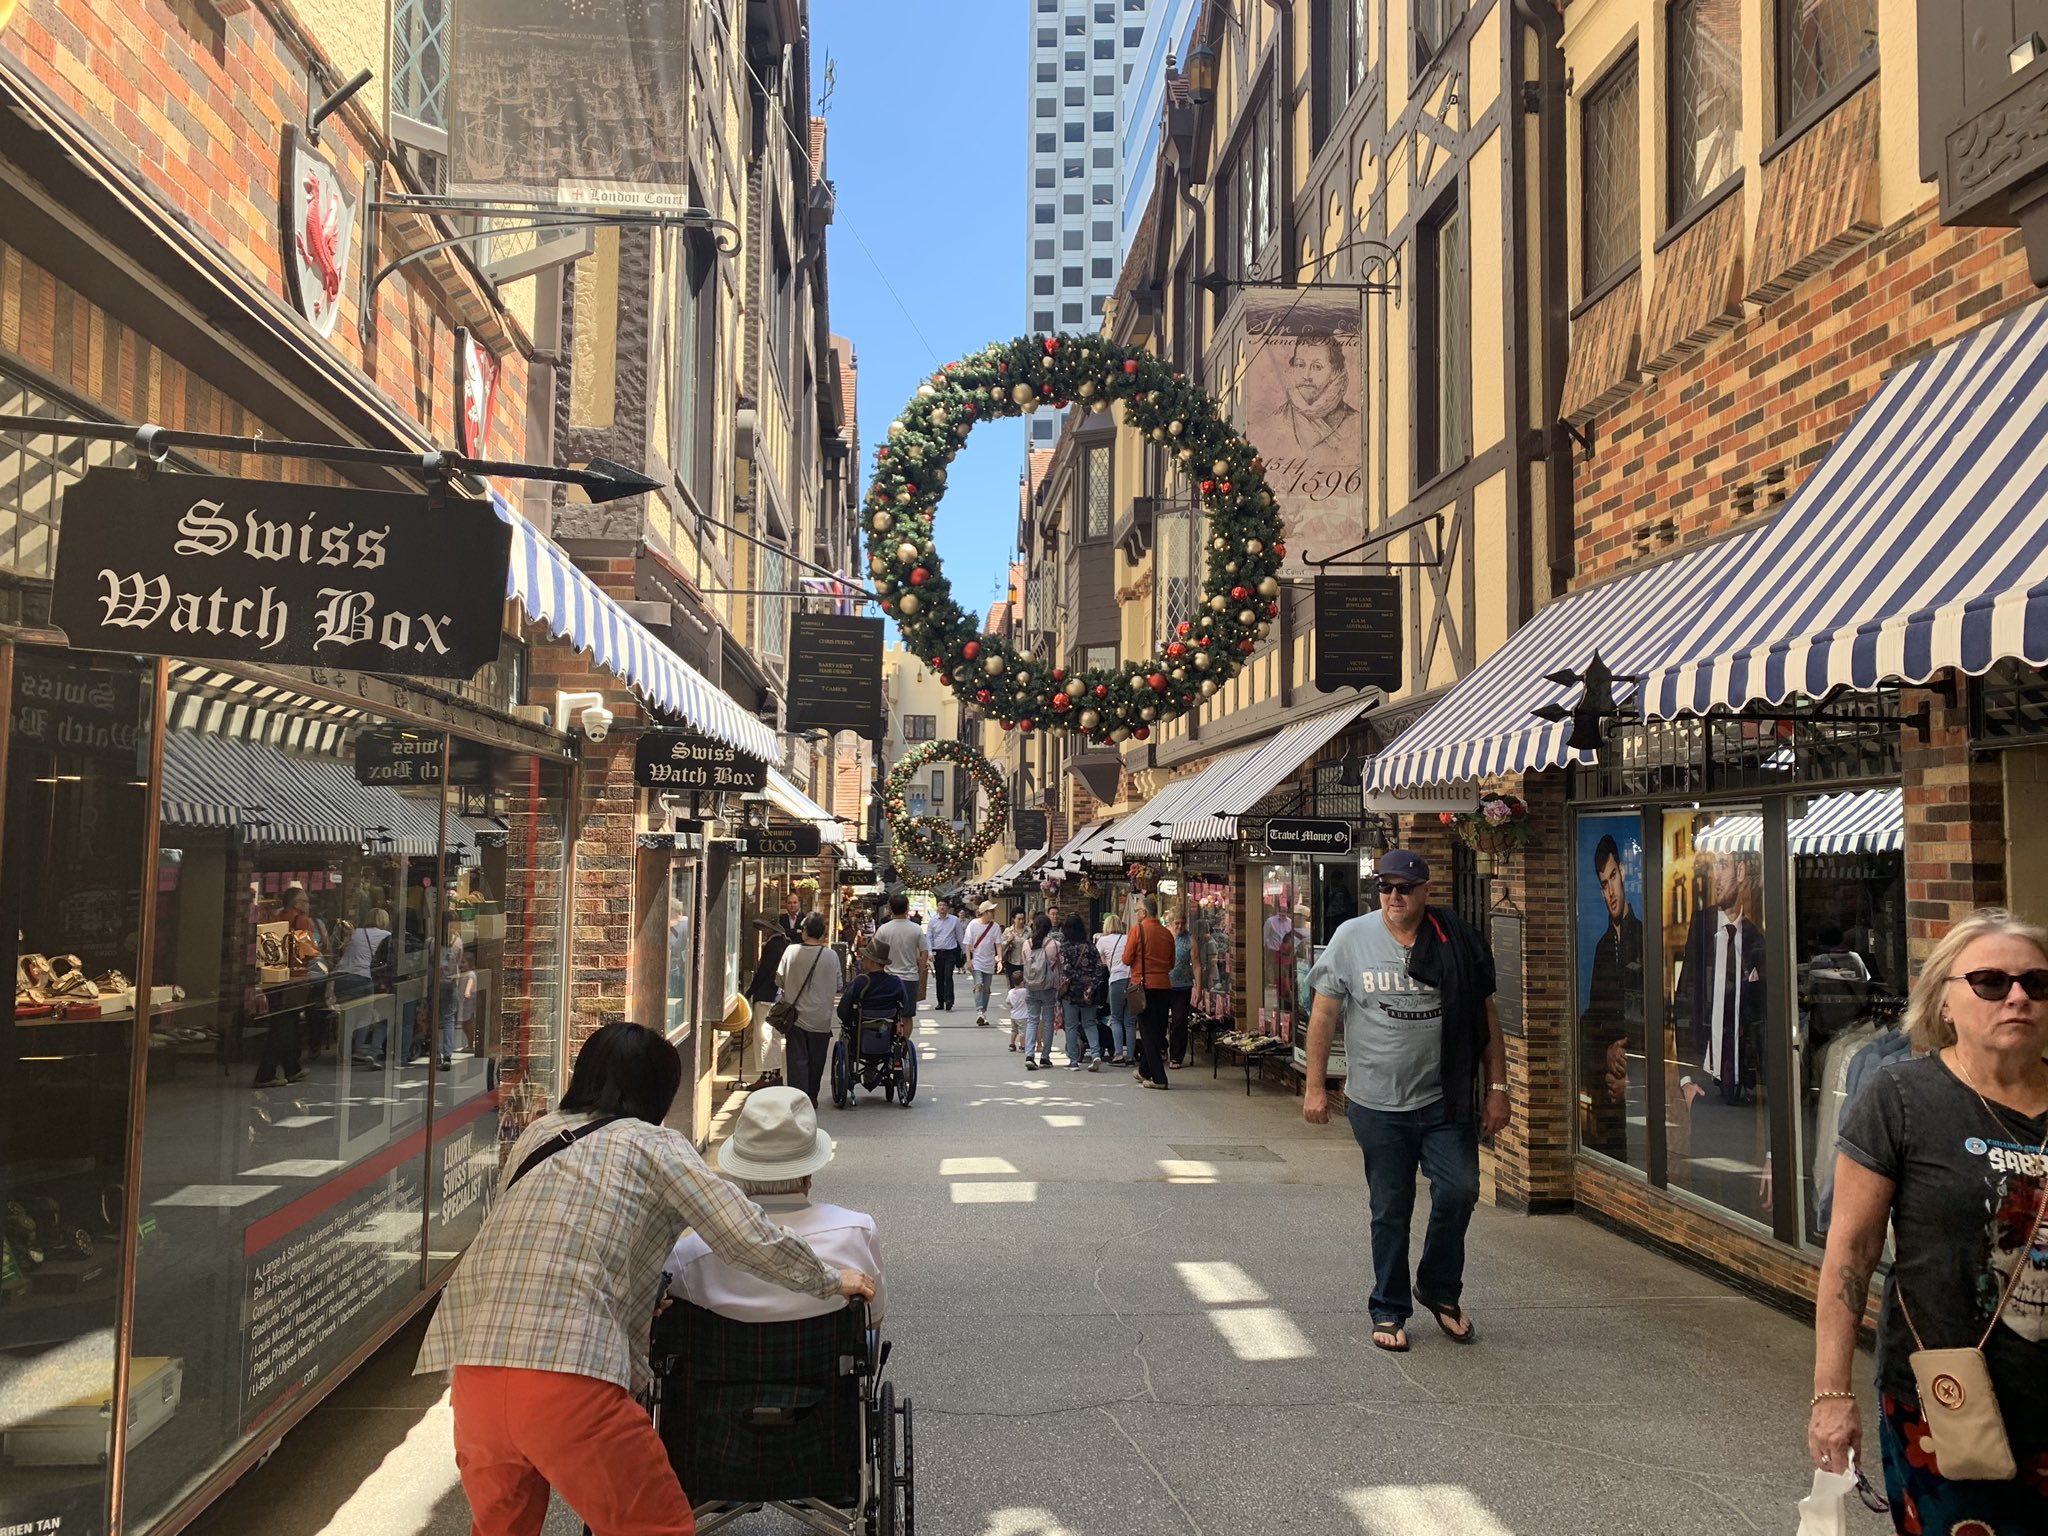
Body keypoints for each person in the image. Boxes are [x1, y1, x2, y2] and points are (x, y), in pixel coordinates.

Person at [417, 1022, 873, 1536]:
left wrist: (639, 1295)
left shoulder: (538, 1135)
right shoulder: (657, 1146)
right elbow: (746, 1236)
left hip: (476, 1373)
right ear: (658, 1089)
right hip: (567, 1376)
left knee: (502, 1530)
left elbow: (546, 1242)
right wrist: (830, 1279)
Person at [1810, 909, 2048, 1532]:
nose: (2018, 996)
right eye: (1992, 982)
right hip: (1946, 1406)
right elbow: (1851, 1255)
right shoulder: (1901, 1097)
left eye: (2037, 983)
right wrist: (1833, 1394)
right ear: (1946, 1001)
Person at [1302, 849, 1509, 1354]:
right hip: (1377, 1103)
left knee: (1459, 1191)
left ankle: (1438, 1288)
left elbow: (1487, 1022)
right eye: (1386, 888)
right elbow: (1325, 1017)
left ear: (1426, 891)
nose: (1394, 897)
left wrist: (1499, 1088)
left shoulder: (1454, 938)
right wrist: (1314, 1086)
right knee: (1391, 1207)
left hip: (1446, 1098)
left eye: (1405, 888)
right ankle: (1389, 1306)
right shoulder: (1352, 937)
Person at [667, 1086, 885, 1326]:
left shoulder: (690, 1255)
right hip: (827, 1362)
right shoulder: (857, 1232)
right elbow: (872, 1319)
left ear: (740, 1173)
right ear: (807, 1176)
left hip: (723, 1361)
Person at [1675, 848, 1765, 1107]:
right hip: (1703, 1081)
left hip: (1744, 1084)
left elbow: (1761, 1017)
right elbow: (1685, 998)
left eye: (1723, 865)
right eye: (1713, 867)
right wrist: (1686, 1079)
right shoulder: (1702, 926)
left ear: (1740, 872)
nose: (1716, 876)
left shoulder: (1755, 938)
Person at [776, 914, 842, 1106]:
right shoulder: (831, 955)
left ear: (804, 932)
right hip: (821, 1017)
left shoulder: (790, 951)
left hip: (794, 1017)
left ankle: (798, 1100)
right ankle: (812, 1096)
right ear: (822, 934)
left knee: (797, 1059)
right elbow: (838, 984)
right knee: (817, 1059)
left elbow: (779, 980)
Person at [1274, 330, 1359, 454]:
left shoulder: (1356, 422)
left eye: (1317, 366)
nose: (1306, 376)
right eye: (1300, 365)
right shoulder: (1274, 421)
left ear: (1335, 371)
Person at [1122, 895, 1175, 1089]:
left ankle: (1159, 1079)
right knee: (1158, 1031)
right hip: (1164, 986)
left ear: (1144, 912)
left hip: (1143, 987)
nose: (1136, 913)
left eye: (1137, 910)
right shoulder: (1167, 933)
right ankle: (1145, 1070)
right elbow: (1171, 963)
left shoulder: (1138, 930)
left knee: (1147, 1032)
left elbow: (1126, 959)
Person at [338, 906, 393, 1067]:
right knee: (365, 1015)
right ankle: (358, 1049)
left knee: (347, 1017)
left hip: (341, 975)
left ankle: (343, 1052)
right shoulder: (387, 936)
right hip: (364, 976)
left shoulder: (356, 932)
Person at [1057, 914, 1105, 1071]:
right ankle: (1096, 1054)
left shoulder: (1065, 948)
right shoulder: (1091, 946)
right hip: (1088, 992)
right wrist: (1091, 985)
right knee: (1090, 1023)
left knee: (1070, 1025)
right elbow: (1100, 968)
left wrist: (1078, 981)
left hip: (1071, 992)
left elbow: (1066, 970)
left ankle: (1073, 1060)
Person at [1019, 913, 1061, 1070]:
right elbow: (1059, 966)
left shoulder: (1026, 944)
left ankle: (1029, 1054)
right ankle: (1045, 1056)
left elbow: (1024, 963)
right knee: (1048, 1020)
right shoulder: (1054, 945)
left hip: (1031, 986)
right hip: (1048, 987)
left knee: (1032, 1020)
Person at [874, 892, 929, 1009]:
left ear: (890, 909)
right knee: (907, 1016)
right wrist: (920, 972)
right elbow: (924, 953)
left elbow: (875, 952)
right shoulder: (916, 929)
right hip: (910, 977)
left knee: (888, 1013)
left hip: (888, 977)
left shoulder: (883, 929)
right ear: (907, 909)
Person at [1096, 913, 1132, 1066]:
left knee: (1116, 1018)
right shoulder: (1129, 938)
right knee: (1130, 1021)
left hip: (1116, 980)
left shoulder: (1102, 941)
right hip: (1132, 981)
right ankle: (1130, 1056)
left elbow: (1098, 960)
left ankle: (1118, 1054)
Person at [964, 900, 1004, 1026]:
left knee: (986, 989)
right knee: (979, 984)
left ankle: (983, 1012)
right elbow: (968, 944)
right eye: (991, 911)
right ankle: (979, 1011)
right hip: (977, 960)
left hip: (989, 961)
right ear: (984, 913)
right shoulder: (973, 925)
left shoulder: (995, 927)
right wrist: (968, 960)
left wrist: (1000, 960)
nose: (993, 913)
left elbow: (998, 945)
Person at [1167, 912, 1195, 1069]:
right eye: (1176, 923)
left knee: (1179, 1022)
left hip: (1183, 986)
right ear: (1170, 923)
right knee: (1159, 1020)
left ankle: (1176, 1056)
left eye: (1182, 923)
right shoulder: (1165, 937)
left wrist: (1198, 984)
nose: (1179, 926)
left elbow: (1196, 963)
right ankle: (1162, 1048)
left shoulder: (1189, 939)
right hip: (1163, 985)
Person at [927, 897, 964, 1012]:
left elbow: (960, 936)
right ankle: (940, 1001)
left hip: (950, 952)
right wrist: (929, 952)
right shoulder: (933, 921)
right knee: (939, 978)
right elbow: (929, 937)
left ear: (947, 907)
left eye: (944, 905)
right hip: (938, 953)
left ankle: (949, 1000)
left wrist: (965, 952)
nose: (942, 907)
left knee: (948, 976)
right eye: (940, 905)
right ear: (937, 907)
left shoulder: (954, 920)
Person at [1003, 911, 1030, 986]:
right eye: (1019, 919)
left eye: (1023, 919)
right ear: (1013, 919)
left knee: (1025, 985)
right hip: (1011, 962)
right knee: (1013, 986)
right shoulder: (1008, 931)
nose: (1021, 921)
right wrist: (1008, 941)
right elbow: (1001, 946)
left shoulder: (1029, 931)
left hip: (1025, 963)